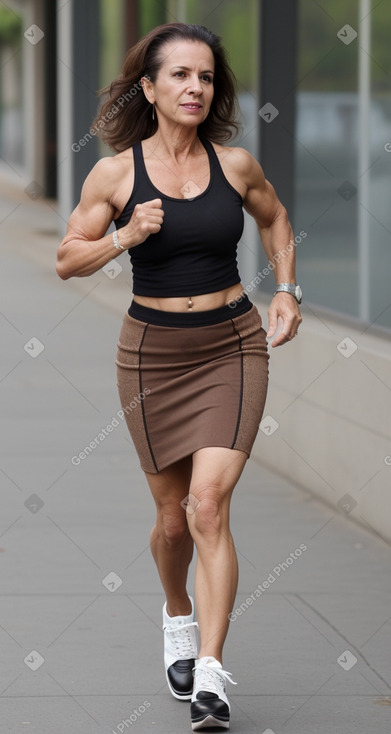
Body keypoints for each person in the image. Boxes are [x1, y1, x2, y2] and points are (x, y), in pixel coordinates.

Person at [56, 22, 302, 732]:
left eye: (206, 77)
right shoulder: (114, 174)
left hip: (231, 345)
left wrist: (286, 289)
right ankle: (176, 616)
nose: (196, 87)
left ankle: (214, 674)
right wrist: (124, 237)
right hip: (150, 355)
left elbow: (277, 220)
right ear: (150, 88)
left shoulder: (236, 165)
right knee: (171, 522)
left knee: (206, 508)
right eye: (180, 76)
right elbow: (69, 259)